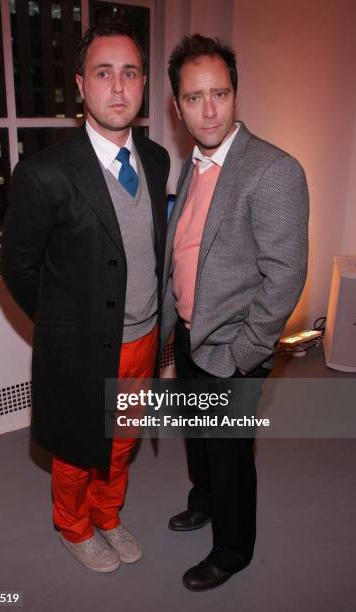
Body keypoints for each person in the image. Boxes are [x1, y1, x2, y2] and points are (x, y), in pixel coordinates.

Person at [0, 22, 169, 574]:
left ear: (143, 84)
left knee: (122, 443)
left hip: (143, 341)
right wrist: (64, 328)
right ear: (80, 85)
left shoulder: (158, 159)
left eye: (129, 73)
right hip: (81, 350)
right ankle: (73, 527)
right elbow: (19, 270)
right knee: (75, 450)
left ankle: (108, 513)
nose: (117, 88)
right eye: (103, 73)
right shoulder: (44, 175)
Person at [161, 34, 309, 591]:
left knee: (229, 455)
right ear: (177, 106)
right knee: (198, 441)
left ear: (235, 95)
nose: (208, 109)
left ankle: (233, 549)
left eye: (219, 94)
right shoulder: (191, 165)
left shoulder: (272, 170)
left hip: (233, 348)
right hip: (192, 337)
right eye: (194, 98)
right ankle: (203, 502)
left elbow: (285, 275)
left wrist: (244, 355)